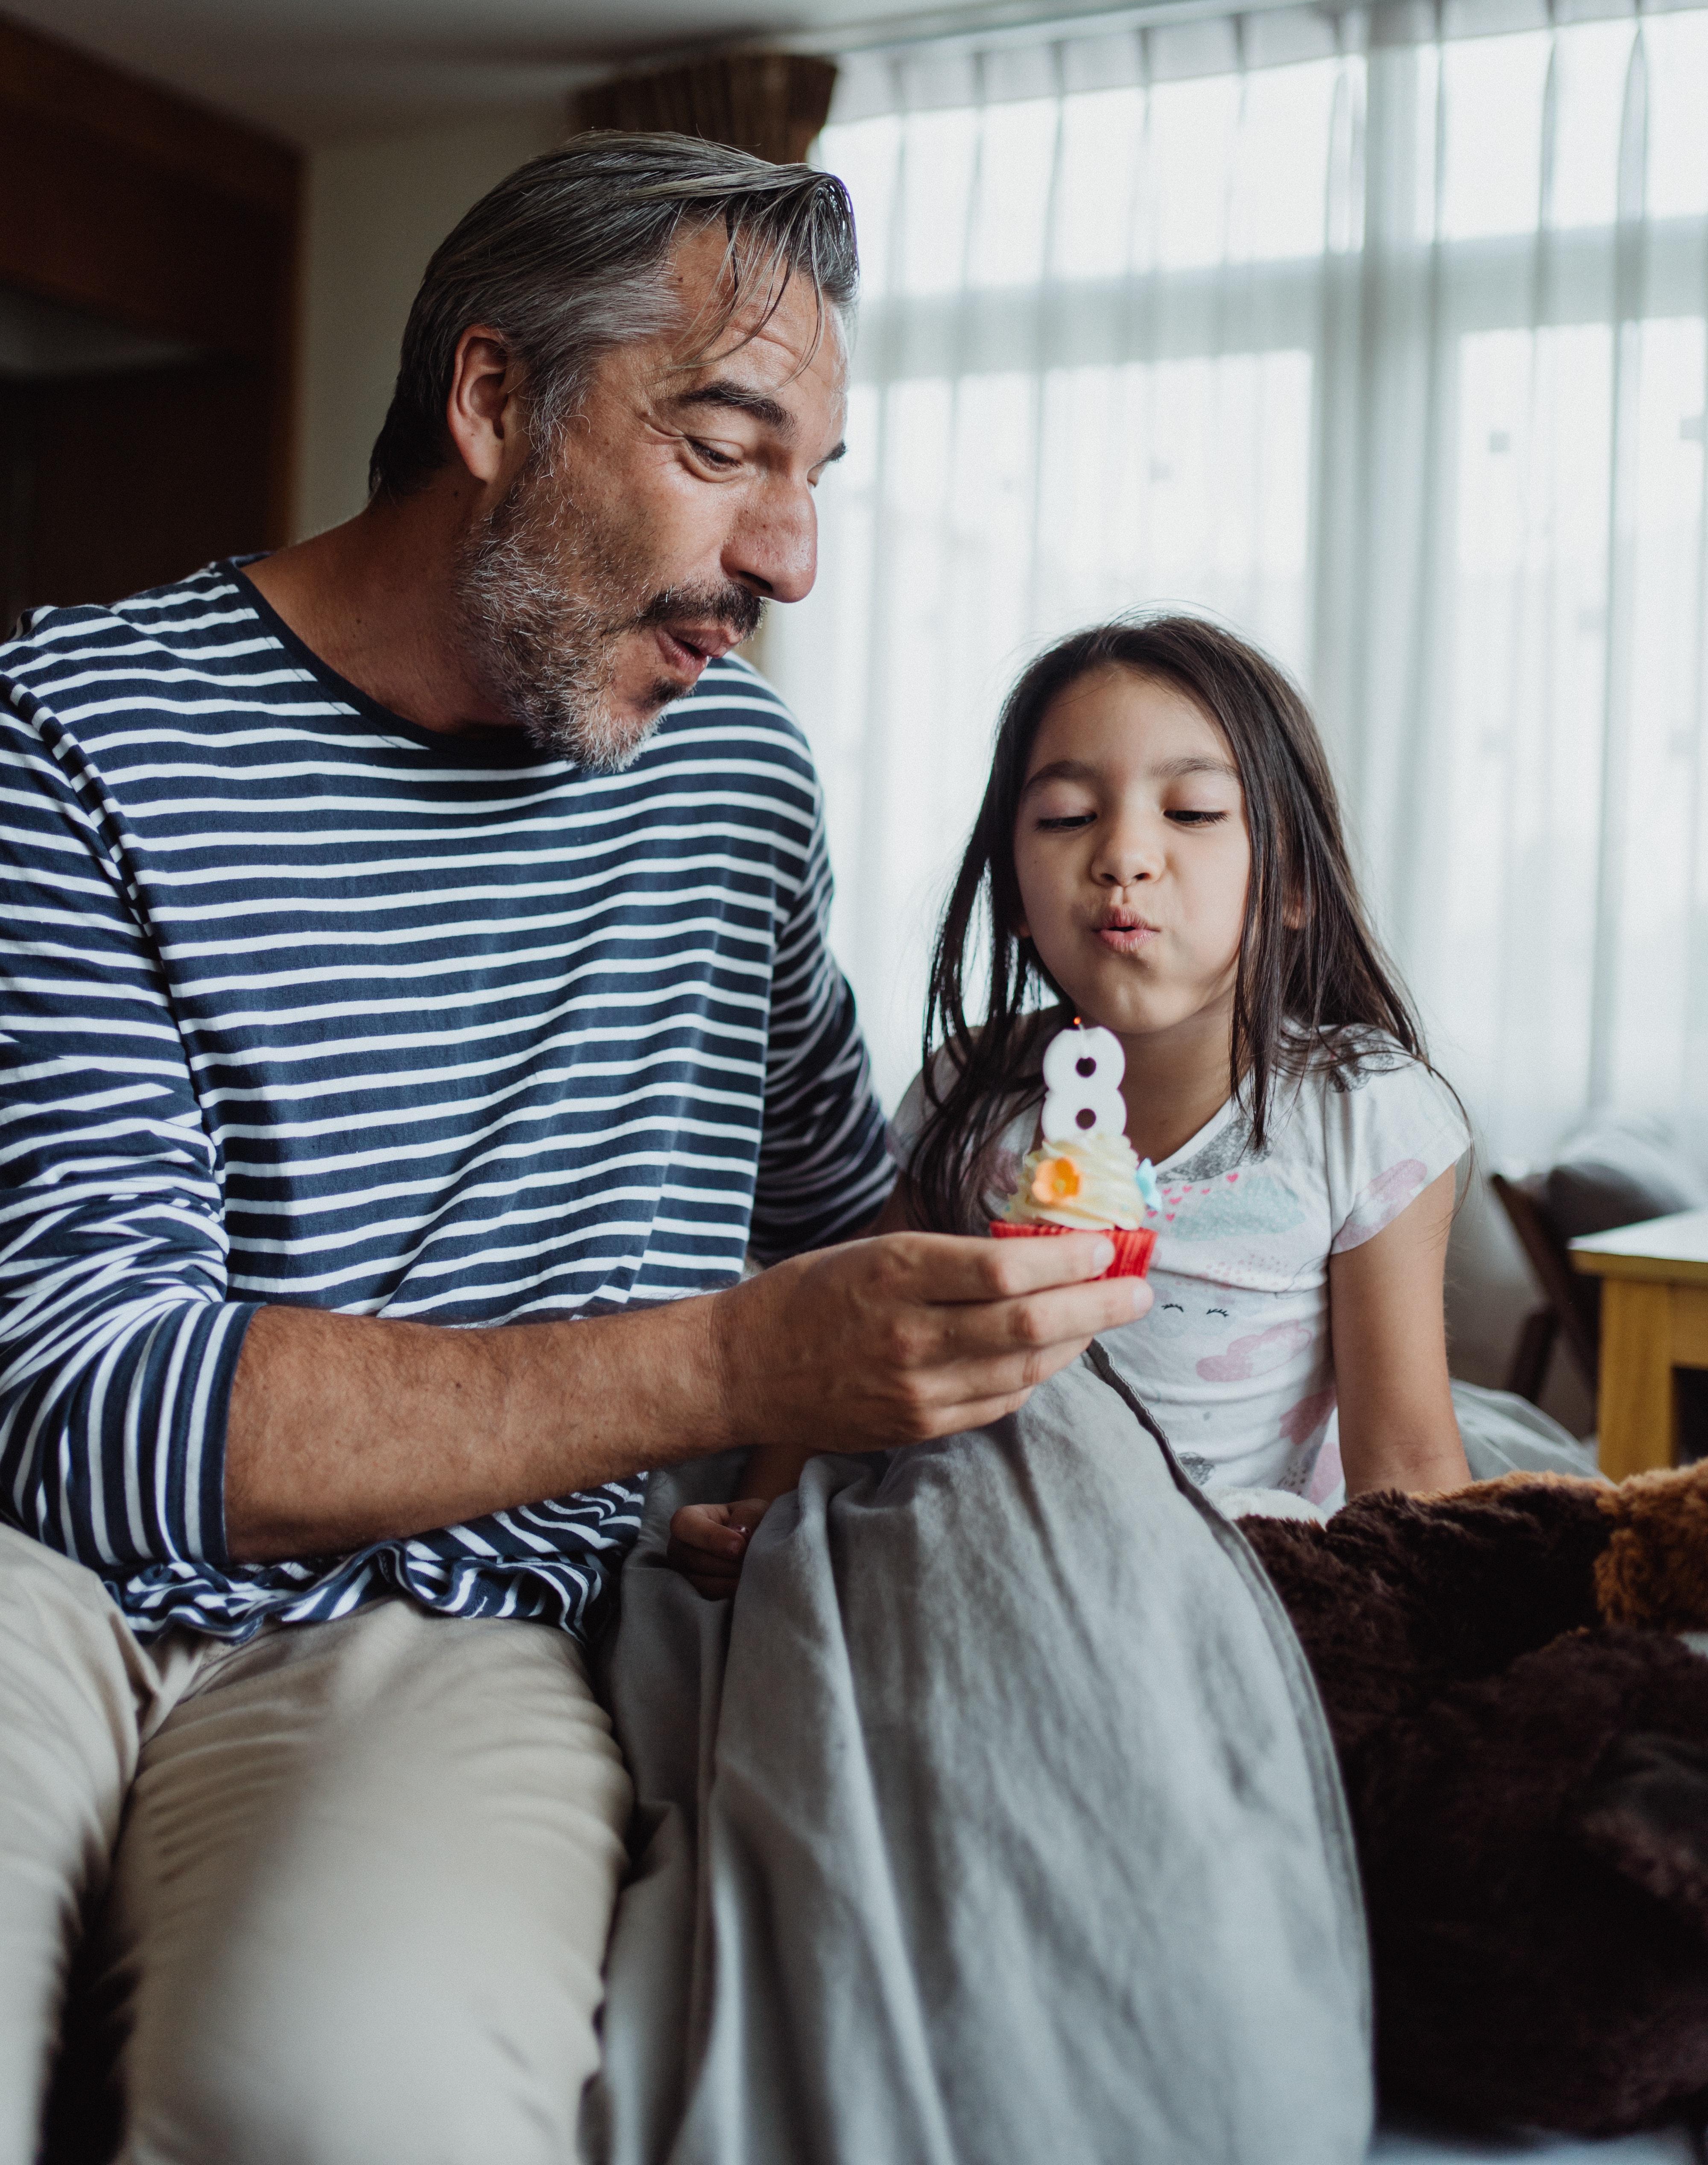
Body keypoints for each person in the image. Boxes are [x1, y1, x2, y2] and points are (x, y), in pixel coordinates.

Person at [0, 135, 1149, 2165]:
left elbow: (825, 1208)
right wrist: (728, 1368)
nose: (791, 556)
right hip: (37, 1582)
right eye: (727, 447)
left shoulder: (731, 779)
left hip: (445, 1629)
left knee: (346, 2097)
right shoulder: (68, 731)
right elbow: (88, 1403)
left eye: (817, 480)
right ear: (491, 399)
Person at [669, 614, 1471, 1597]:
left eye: (1192, 813)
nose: (1123, 856)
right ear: (1011, 887)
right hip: (977, 1549)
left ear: (1294, 880)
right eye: (1062, 818)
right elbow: (845, 1338)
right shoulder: (969, 1092)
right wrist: (762, 1514)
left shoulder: (1363, 1115)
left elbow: (1408, 1471)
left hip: (1228, 1577)